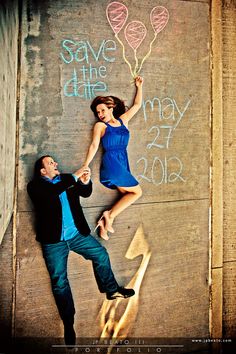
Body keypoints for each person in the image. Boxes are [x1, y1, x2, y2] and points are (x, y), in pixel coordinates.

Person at [27, 155, 135, 347]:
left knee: (101, 254)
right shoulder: (36, 187)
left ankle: (111, 290)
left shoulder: (66, 179)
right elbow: (51, 193)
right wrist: (75, 177)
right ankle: (69, 322)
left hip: (77, 235)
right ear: (43, 171)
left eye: (54, 161)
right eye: (51, 163)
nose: (56, 164)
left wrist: (85, 183)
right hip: (53, 242)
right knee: (59, 281)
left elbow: (85, 194)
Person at [82, 76, 143, 240]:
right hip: (112, 163)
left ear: (111, 108)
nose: (100, 114)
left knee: (128, 195)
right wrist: (85, 166)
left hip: (123, 162)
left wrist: (139, 87)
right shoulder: (100, 126)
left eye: (102, 110)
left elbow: (137, 105)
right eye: (97, 112)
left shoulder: (123, 121)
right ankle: (108, 215)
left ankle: (106, 220)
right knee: (137, 192)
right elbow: (94, 145)